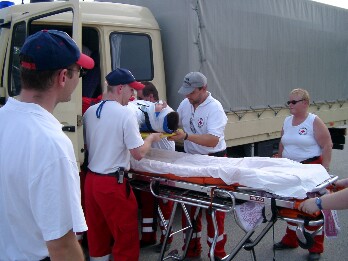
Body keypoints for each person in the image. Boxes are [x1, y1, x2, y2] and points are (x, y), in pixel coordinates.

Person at [0, 29, 94, 260]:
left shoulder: (4, 118)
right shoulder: (51, 144)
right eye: (79, 71)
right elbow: (62, 245)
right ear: (63, 77)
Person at [83, 68, 162, 261]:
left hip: (91, 182)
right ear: (120, 88)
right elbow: (138, 153)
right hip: (112, 184)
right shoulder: (125, 114)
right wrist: (151, 138)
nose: (133, 95)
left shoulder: (91, 112)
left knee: (97, 235)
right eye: (131, 90)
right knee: (125, 236)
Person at [169, 72, 228, 260]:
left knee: (214, 210)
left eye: (191, 92)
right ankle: (191, 249)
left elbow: (212, 140)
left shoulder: (215, 108)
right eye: (186, 92)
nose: (187, 96)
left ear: (204, 89)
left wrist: (186, 136)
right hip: (191, 159)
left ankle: (217, 253)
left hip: (213, 160)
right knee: (190, 207)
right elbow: (175, 122)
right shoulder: (186, 104)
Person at [273, 88, 333, 261]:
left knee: (312, 209)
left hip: (310, 169)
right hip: (290, 169)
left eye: (294, 102)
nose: (290, 105)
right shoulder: (286, 121)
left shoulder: (313, 121)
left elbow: (327, 144)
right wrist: (280, 159)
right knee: (291, 205)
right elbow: (283, 143)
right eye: (289, 102)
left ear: (305, 103)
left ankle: (316, 247)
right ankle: (291, 239)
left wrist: (325, 169)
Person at [135, 82, 176, 253]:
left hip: (163, 165)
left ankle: (166, 239)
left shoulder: (164, 114)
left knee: (164, 204)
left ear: (150, 97)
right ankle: (147, 236)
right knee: (146, 202)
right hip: (148, 164)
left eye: (140, 98)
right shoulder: (146, 113)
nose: (137, 102)